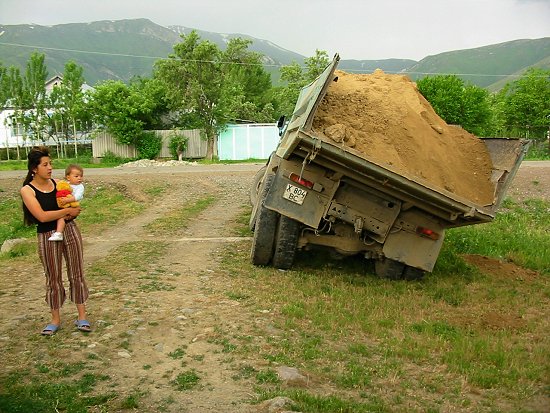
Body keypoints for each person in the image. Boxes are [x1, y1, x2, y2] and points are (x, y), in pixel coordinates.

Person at [20, 146, 91, 336]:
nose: (50, 167)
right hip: (47, 236)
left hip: (70, 231)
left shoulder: (59, 184)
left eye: (50, 163)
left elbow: (74, 202)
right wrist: (67, 212)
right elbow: (42, 217)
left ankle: (82, 316)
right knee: (53, 278)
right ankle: (55, 319)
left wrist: (70, 210)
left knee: (77, 272)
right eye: (45, 164)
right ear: (34, 168)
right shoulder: (27, 190)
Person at [48, 164, 85, 241]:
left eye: (81, 176)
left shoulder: (80, 186)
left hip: (73, 205)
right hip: (66, 204)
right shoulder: (66, 184)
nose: (79, 178)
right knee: (61, 216)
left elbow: (77, 197)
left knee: (61, 217)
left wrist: (67, 200)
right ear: (68, 177)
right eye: (76, 176)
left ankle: (59, 233)